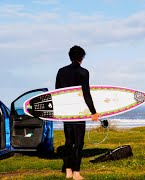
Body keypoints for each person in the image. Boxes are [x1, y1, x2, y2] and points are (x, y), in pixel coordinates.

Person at [55, 45, 100, 179]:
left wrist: (59, 111)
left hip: (66, 112)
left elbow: (57, 92)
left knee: (69, 141)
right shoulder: (83, 72)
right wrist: (93, 112)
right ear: (81, 58)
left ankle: (68, 170)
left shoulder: (61, 71)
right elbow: (86, 94)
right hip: (78, 112)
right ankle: (76, 173)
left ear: (70, 57)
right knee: (79, 143)